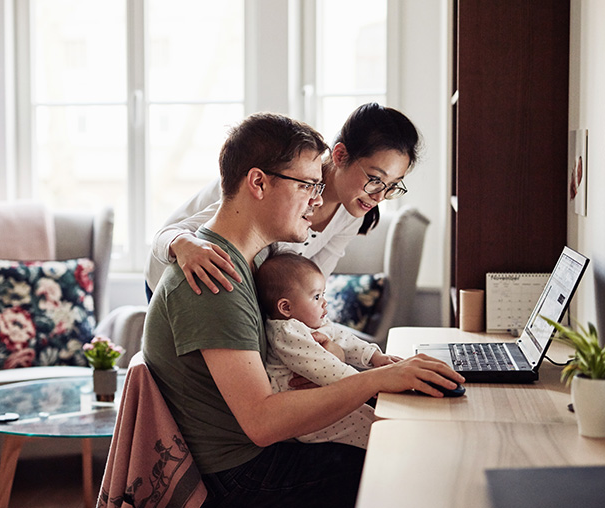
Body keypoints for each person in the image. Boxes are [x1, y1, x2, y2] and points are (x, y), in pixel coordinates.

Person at [143, 112, 465, 508]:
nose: (317, 200)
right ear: (259, 183)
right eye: (308, 185)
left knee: (401, 448)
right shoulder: (216, 273)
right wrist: (377, 379)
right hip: (241, 472)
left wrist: (350, 363)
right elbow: (262, 422)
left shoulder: (257, 263)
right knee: (401, 469)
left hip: (249, 448)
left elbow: (312, 308)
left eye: (318, 185)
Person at [144, 102, 421, 300]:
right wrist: (184, 244)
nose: (379, 196)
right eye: (375, 178)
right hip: (171, 271)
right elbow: (165, 236)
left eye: (392, 186)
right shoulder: (279, 185)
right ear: (339, 155)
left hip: (232, 283)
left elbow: (312, 282)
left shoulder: (351, 212)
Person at [256, 252, 403, 449]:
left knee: (379, 419)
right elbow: (325, 368)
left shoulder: (313, 323)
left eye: (323, 294)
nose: (324, 302)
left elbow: (344, 339)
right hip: (305, 416)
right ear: (286, 307)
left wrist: (375, 357)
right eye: (316, 296)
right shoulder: (287, 332)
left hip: (327, 396)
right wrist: (371, 384)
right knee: (374, 429)